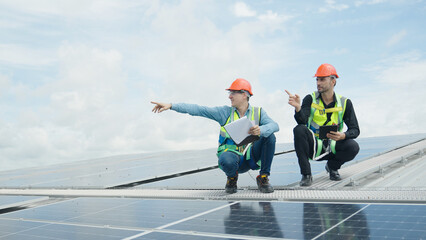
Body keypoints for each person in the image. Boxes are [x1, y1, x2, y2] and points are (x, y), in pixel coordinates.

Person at [152, 78, 279, 193]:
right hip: (232, 159)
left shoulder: (259, 112)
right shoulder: (224, 112)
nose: (229, 96)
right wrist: (172, 106)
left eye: (233, 93)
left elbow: (274, 125)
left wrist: (260, 130)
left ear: (244, 94)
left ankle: (263, 178)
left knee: (270, 136)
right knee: (227, 160)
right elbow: (199, 109)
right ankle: (232, 178)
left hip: (251, 157)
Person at [285, 63, 360, 186]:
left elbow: (355, 129)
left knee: (353, 147)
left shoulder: (345, 102)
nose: (318, 83)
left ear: (333, 81)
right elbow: (302, 122)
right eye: (317, 79)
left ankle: (332, 167)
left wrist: (343, 135)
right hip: (314, 146)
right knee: (299, 129)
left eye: (322, 79)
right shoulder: (310, 98)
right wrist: (298, 108)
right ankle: (306, 175)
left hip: (333, 145)